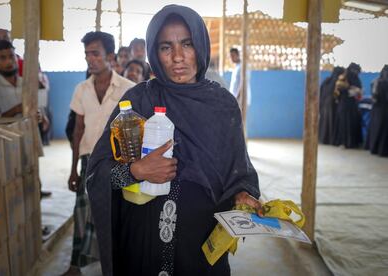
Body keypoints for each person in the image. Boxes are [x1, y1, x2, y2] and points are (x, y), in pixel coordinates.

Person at [86, 5, 262, 276]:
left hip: (201, 244)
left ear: (201, 46)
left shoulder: (222, 105)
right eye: (166, 47)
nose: (178, 57)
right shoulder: (137, 100)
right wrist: (136, 171)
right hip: (143, 243)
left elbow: (237, 171)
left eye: (187, 44)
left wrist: (242, 194)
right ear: (154, 53)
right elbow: (98, 172)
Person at [65, 31, 134, 276]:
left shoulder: (128, 89)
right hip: (88, 161)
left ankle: (116, 266)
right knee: (82, 212)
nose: (90, 59)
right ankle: (75, 266)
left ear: (110, 56)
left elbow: (134, 130)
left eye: (95, 53)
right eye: (87, 54)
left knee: (115, 215)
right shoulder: (82, 89)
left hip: (116, 163)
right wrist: (74, 168)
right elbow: (77, 130)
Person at [332, 63, 363, 148]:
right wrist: (351, 90)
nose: (355, 73)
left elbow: (360, 92)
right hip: (344, 104)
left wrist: (355, 91)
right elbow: (337, 92)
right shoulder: (342, 78)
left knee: (352, 123)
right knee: (344, 123)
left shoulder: (356, 79)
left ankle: (352, 143)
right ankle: (343, 142)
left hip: (353, 105)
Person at [319, 66, 344, 144]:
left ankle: (324, 139)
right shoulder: (338, 82)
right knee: (332, 122)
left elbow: (320, 93)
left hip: (323, 104)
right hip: (333, 105)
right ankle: (332, 140)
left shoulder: (326, 80)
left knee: (325, 121)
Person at [366, 65, 388, 157]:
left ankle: (374, 148)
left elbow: (374, 97)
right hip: (384, 109)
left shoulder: (375, 81)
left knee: (376, 128)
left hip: (376, 109)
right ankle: (381, 150)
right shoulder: (382, 83)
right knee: (383, 130)